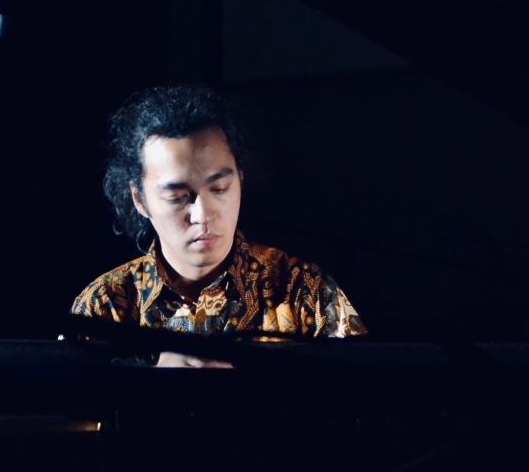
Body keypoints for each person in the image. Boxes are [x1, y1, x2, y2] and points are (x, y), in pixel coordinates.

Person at [70, 85, 366, 366]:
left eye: (220, 188)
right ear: (140, 200)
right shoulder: (105, 306)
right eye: (177, 197)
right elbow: (68, 401)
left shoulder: (304, 292)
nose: (202, 215)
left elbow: (365, 394)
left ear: (240, 179)